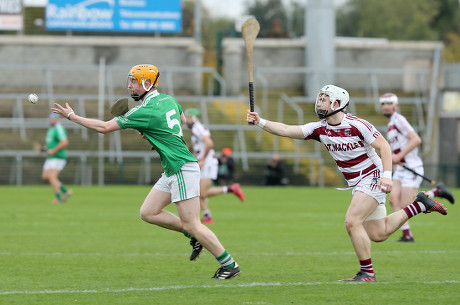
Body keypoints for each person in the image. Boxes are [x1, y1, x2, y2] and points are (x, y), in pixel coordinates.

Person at [52, 64, 240, 279]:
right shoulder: (168, 99)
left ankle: (229, 265)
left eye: (134, 81)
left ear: (148, 83)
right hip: (173, 168)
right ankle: (194, 235)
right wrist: (156, 134)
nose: (130, 85)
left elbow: (103, 128)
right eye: (130, 80)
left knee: (194, 223)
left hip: (181, 167)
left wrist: (72, 117)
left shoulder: (144, 111)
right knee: (148, 212)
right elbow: (178, 116)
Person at [247, 84, 448, 282]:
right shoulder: (319, 128)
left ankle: (367, 274)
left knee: (352, 221)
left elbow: (384, 147)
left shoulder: (357, 124)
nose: (319, 103)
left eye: (324, 99)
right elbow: (286, 129)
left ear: (337, 103)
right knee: (379, 233)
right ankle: (420, 204)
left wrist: (387, 176)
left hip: (372, 176)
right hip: (358, 183)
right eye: (319, 98)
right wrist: (260, 122)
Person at [380, 93, 455, 242]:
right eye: (383, 103)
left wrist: (399, 155)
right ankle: (407, 234)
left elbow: (416, 139)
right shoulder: (390, 125)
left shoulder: (399, 120)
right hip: (401, 169)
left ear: (396, 106)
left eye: (389, 103)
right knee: (394, 201)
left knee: (407, 204)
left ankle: (436, 191)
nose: (386, 106)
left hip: (412, 168)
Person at [184, 108, 244, 225]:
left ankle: (231, 189)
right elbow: (198, 145)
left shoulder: (197, 128)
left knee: (202, 193)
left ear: (195, 118)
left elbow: (209, 143)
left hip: (208, 164)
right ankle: (207, 217)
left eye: (189, 117)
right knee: (198, 192)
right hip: (204, 163)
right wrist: (189, 151)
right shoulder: (196, 129)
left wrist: (202, 159)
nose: (187, 120)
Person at [42, 112, 72, 204]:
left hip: (58, 157)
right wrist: (44, 149)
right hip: (51, 157)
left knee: (52, 176)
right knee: (45, 176)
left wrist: (53, 151)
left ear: (57, 119)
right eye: (50, 118)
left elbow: (64, 142)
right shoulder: (51, 129)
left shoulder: (59, 128)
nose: (52, 120)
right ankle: (65, 191)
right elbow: (51, 144)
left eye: (53, 118)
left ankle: (58, 198)